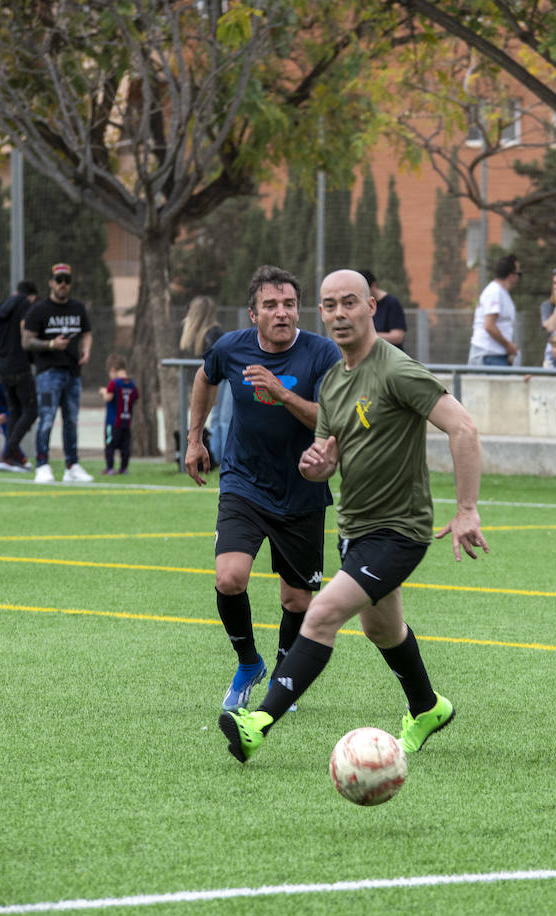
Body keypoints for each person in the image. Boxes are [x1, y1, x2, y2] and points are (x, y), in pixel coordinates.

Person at [219, 268, 487, 763]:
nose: (339, 314)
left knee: (320, 614)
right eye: (330, 305)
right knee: (382, 630)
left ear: (370, 307)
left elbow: (463, 428)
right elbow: (329, 453)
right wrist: (318, 463)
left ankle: (259, 721)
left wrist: (467, 509)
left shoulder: (396, 368)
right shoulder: (335, 383)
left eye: (349, 303)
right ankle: (427, 707)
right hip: (356, 529)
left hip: (399, 530)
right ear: (321, 313)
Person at [185, 266, 342, 718]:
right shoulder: (230, 348)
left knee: (296, 600)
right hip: (243, 482)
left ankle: (282, 676)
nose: (282, 313)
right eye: (271, 305)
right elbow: (203, 378)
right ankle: (249, 662)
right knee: (229, 577)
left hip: (302, 489)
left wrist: (282, 394)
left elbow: (330, 420)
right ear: (253, 314)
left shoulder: (322, 354)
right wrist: (196, 440)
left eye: (289, 304)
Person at [21, 262, 93, 483]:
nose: (63, 285)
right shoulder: (39, 310)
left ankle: (72, 465)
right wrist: (51, 344)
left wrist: (87, 350)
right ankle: (42, 465)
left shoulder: (78, 308)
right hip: (48, 374)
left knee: (72, 419)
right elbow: (26, 341)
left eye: (67, 281)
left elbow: (87, 332)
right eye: (59, 280)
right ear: (51, 283)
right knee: (47, 419)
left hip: (73, 373)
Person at [0, 279, 38, 472]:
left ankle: (10, 459)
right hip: (20, 364)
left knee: (15, 410)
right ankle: (10, 451)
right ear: (32, 296)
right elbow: (25, 329)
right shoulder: (26, 305)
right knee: (31, 411)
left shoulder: (2, 308)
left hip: (4, 366)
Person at [180, 295, 226, 467]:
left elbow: (215, 367)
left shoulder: (213, 334)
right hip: (217, 380)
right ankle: (214, 457)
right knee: (217, 419)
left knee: (223, 419)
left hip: (225, 380)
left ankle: (223, 459)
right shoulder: (204, 335)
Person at [467, 254, 520, 366]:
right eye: (518, 274)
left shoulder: (501, 293)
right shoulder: (494, 292)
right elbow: (489, 325)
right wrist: (508, 346)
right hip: (488, 355)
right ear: (511, 275)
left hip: (497, 355)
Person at [99, 354, 139, 475]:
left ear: (112, 370)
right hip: (126, 422)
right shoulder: (131, 383)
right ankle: (123, 468)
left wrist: (103, 392)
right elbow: (136, 398)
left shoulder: (114, 383)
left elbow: (108, 397)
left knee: (110, 446)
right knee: (125, 447)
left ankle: (110, 468)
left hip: (113, 422)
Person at [359, 269, 407, 349]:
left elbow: (397, 337)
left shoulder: (392, 303)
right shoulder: (362, 303)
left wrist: (367, 336)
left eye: (365, 291)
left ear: (374, 285)